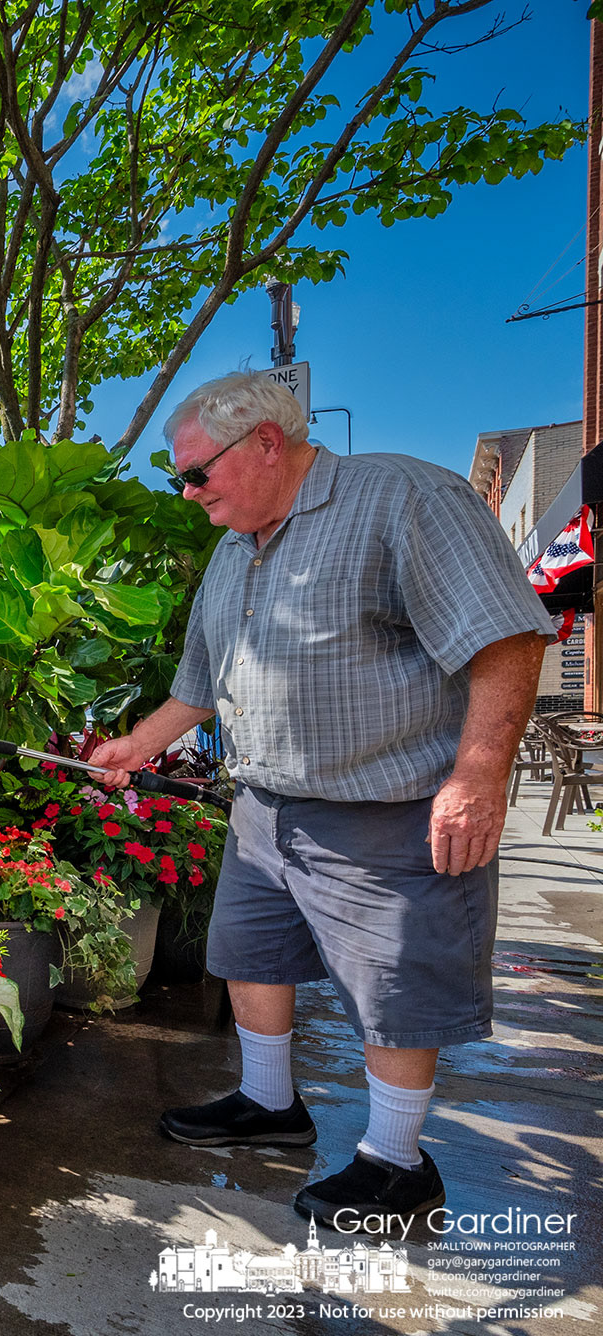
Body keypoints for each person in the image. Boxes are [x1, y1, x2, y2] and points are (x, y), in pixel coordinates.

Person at [87, 371, 553, 1234]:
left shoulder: (404, 497)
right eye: (179, 479)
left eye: (196, 473)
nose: (188, 493)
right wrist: (135, 747)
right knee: (250, 955)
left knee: (393, 989)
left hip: (389, 801)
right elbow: (201, 684)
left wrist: (479, 774)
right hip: (266, 805)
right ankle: (268, 1106)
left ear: (267, 440)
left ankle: (396, 1160)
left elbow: (506, 635)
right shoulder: (233, 550)